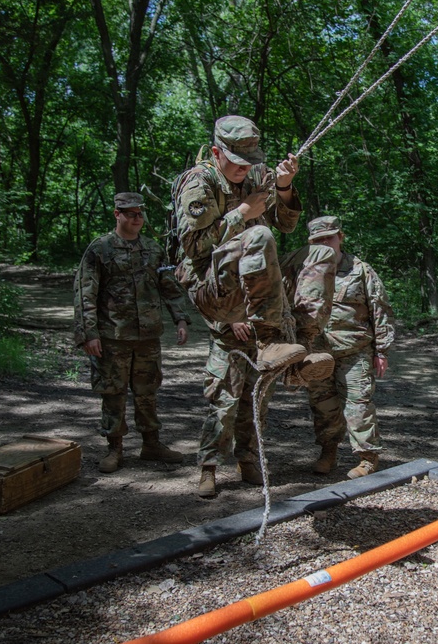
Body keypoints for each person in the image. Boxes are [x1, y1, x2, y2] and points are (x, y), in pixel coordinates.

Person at [171, 115, 335, 498]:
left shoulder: (256, 175)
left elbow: (288, 225)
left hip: (259, 301)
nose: (245, 170)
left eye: (249, 163)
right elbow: (194, 249)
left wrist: (283, 185)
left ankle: (296, 352)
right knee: (225, 396)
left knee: (321, 253)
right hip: (216, 291)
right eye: (237, 163)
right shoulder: (199, 181)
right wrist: (242, 212)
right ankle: (208, 467)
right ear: (215, 152)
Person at [74, 192, 192, 474]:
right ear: (117, 215)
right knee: (113, 393)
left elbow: (169, 286)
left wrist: (181, 319)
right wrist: (88, 333)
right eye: (131, 214)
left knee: (147, 391)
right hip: (112, 336)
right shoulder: (99, 249)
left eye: (140, 214)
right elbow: (84, 293)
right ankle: (114, 448)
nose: (137, 218)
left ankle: (151, 443)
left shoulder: (153, 249)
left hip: (148, 335)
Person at [290, 216, 395, 479]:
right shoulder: (302, 271)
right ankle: (328, 452)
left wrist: (382, 350)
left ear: (341, 237)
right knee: (322, 405)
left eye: (330, 237)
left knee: (358, 405)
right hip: (317, 352)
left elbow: (380, 310)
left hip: (354, 350)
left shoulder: (360, 270)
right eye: (318, 240)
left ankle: (367, 458)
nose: (325, 244)